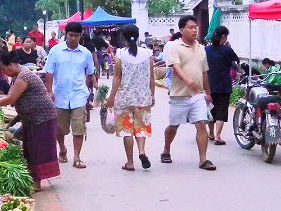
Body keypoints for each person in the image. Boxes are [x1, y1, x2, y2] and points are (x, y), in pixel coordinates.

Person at [0, 51, 59, 191]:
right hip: (31, 118)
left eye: (3, 69)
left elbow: (10, 98)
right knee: (29, 148)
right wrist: (11, 123)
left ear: (11, 65)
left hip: (41, 117)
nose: (3, 72)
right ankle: (34, 180)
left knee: (36, 150)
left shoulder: (24, 76)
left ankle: (36, 183)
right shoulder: (18, 76)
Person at [162, 15, 216, 170]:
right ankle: (166, 149)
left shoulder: (201, 48)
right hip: (179, 95)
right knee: (173, 126)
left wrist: (208, 92)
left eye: (195, 27)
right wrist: (187, 81)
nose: (194, 30)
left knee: (201, 124)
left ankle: (203, 160)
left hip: (198, 95)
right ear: (182, 30)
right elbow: (176, 67)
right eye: (191, 27)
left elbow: (205, 72)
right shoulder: (174, 47)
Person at [44, 22, 95, 169]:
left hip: (79, 95)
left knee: (79, 127)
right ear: (65, 34)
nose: (73, 38)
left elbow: (90, 73)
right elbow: (49, 72)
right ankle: (62, 148)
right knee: (60, 129)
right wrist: (49, 91)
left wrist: (89, 92)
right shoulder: (56, 51)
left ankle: (77, 157)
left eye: (76, 36)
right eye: (71, 35)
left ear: (81, 36)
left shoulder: (85, 53)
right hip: (60, 95)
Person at [106, 24, 155, 171]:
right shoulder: (148, 53)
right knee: (141, 129)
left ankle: (130, 163)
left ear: (123, 37)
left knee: (127, 130)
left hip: (124, 98)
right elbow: (151, 78)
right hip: (143, 97)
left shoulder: (120, 54)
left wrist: (111, 97)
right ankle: (142, 151)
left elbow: (117, 77)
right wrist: (152, 95)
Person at [205, 26, 240, 145]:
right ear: (224, 36)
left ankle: (210, 133)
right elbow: (235, 62)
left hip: (209, 84)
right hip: (223, 85)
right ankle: (218, 136)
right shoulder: (227, 50)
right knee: (221, 110)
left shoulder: (206, 50)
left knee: (211, 109)